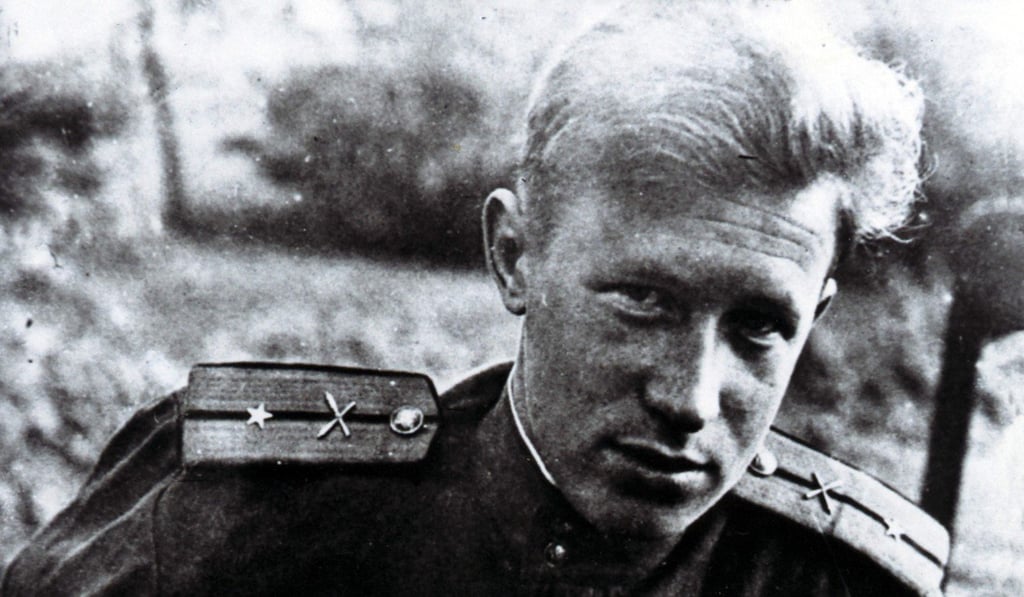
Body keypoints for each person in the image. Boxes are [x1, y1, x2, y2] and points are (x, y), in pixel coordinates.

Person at [3, 2, 948, 595]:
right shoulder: (240, 518)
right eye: (642, 298)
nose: (689, 397)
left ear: (814, 317)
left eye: (760, 326)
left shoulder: (841, 582)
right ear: (514, 255)